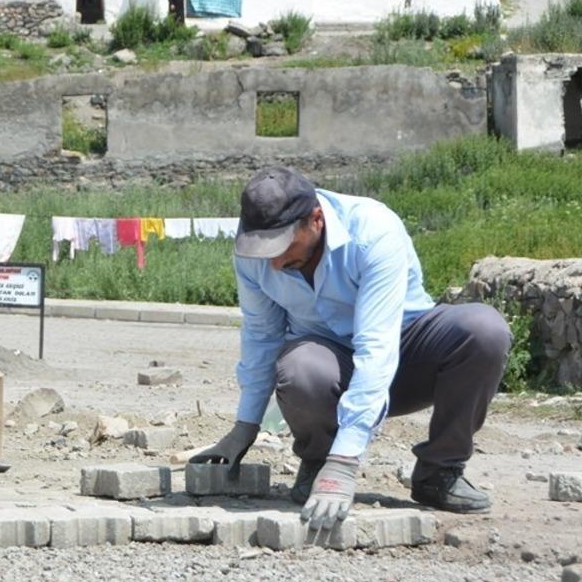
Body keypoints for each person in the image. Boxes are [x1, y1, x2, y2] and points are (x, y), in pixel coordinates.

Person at [190, 168, 511, 530]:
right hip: (329, 370)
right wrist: (245, 426)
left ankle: (439, 472)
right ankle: (318, 461)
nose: (274, 263)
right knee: (300, 367)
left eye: (282, 247)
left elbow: (377, 347)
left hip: (405, 354)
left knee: (483, 331)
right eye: (265, 252)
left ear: (315, 220)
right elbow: (261, 337)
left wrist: (345, 462)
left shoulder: (373, 232)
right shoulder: (253, 252)